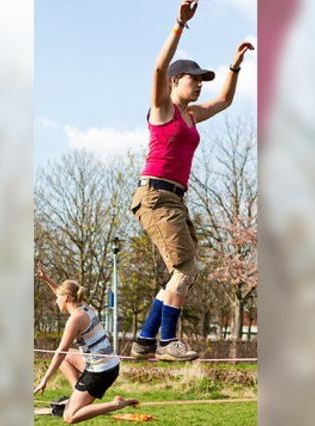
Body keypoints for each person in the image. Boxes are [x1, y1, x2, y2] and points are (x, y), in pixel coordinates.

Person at [129, 0, 254, 361]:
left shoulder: (192, 116)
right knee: (186, 269)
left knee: (182, 272)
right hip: (155, 195)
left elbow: (226, 100)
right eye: (193, 79)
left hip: (175, 199)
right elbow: (157, 67)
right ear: (174, 83)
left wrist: (234, 65)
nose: (198, 85)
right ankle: (168, 342)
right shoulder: (163, 109)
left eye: (201, 81)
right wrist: (179, 24)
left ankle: (144, 340)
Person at [35, 265, 138, 424]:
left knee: (69, 417)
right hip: (109, 364)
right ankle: (78, 394)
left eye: (58, 298)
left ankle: (116, 404)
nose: (56, 301)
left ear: (67, 297)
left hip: (101, 372)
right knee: (68, 356)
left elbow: (60, 351)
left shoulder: (75, 319)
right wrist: (46, 278)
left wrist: (45, 380)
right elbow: (61, 292)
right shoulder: (84, 307)